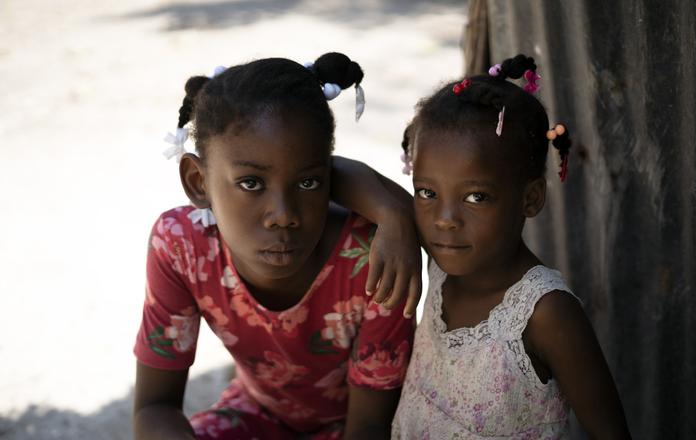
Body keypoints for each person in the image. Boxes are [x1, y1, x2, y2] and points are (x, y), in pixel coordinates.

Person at [133, 52, 421, 440]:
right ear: (198, 182)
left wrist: (394, 215)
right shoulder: (181, 246)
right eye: (251, 183)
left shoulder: (372, 257)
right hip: (254, 414)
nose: (283, 216)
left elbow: (371, 426)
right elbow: (155, 407)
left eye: (307, 183)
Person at [391, 54, 631, 439]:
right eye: (427, 192)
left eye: (476, 197)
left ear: (531, 199)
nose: (444, 218)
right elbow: (345, 174)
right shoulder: (438, 260)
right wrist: (389, 219)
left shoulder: (545, 312)